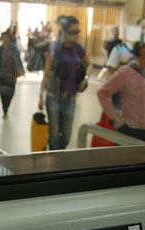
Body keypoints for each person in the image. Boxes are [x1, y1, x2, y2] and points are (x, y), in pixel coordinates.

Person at [97, 40, 145, 143]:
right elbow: (102, 93)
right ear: (138, 53)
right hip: (133, 128)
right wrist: (115, 117)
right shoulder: (126, 72)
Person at [38, 15, 90, 150]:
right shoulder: (54, 49)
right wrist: (41, 96)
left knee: (67, 135)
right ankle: (54, 160)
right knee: (54, 134)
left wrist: (85, 79)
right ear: (64, 32)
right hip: (54, 96)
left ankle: (58, 154)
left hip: (70, 98)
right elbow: (47, 72)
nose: (75, 35)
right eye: (72, 32)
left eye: (77, 32)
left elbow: (89, 64)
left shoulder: (78, 49)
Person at [0, 31, 24, 119]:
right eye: (4, 37)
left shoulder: (14, 49)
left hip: (12, 75)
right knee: (2, 93)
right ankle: (5, 110)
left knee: (11, 93)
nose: (6, 39)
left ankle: (7, 107)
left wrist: (22, 70)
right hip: (1, 75)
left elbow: (18, 60)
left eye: (7, 37)